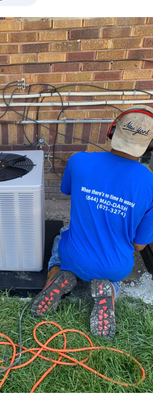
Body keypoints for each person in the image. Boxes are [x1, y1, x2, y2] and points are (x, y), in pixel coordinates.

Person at [31, 105, 153, 339]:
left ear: (111, 132)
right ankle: (110, 292)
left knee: (61, 235)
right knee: (113, 274)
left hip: (74, 257)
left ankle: (56, 275)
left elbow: (66, 189)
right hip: (115, 266)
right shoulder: (150, 183)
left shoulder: (79, 161)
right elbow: (139, 245)